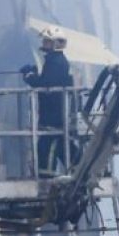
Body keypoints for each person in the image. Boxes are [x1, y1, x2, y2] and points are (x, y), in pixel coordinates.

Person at [21, 27, 74, 176]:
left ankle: (46, 177)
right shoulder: (55, 61)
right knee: (62, 147)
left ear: (56, 44)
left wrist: (29, 76)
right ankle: (77, 167)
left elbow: (45, 83)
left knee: (48, 148)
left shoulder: (55, 62)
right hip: (53, 116)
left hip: (52, 117)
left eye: (47, 41)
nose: (44, 43)